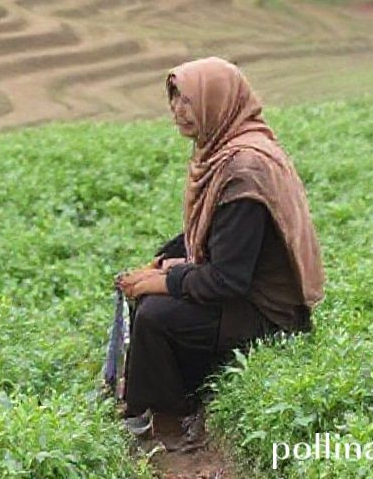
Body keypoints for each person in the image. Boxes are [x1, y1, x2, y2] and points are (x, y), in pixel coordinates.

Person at [116, 56, 325, 443]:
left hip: (269, 313)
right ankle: (190, 393)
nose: (178, 111)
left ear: (218, 102)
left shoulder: (244, 169)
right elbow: (212, 231)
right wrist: (165, 261)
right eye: (174, 99)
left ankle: (171, 420)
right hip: (246, 295)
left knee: (155, 315)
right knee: (151, 294)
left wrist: (161, 281)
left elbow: (227, 279)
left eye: (190, 101)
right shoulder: (227, 150)